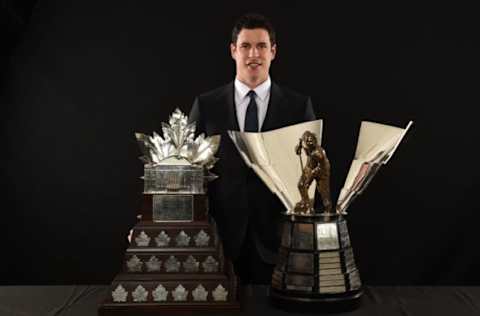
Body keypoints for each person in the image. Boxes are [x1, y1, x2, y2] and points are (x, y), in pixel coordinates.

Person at [189, 13, 316, 284]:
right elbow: (187, 173)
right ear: (233, 51)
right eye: (245, 46)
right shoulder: (206, 105)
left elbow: (309, 177)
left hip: (280, 242)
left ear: (273, 52)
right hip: (219, 242)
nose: (253, 54)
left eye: (261, 46)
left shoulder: (298, 106)